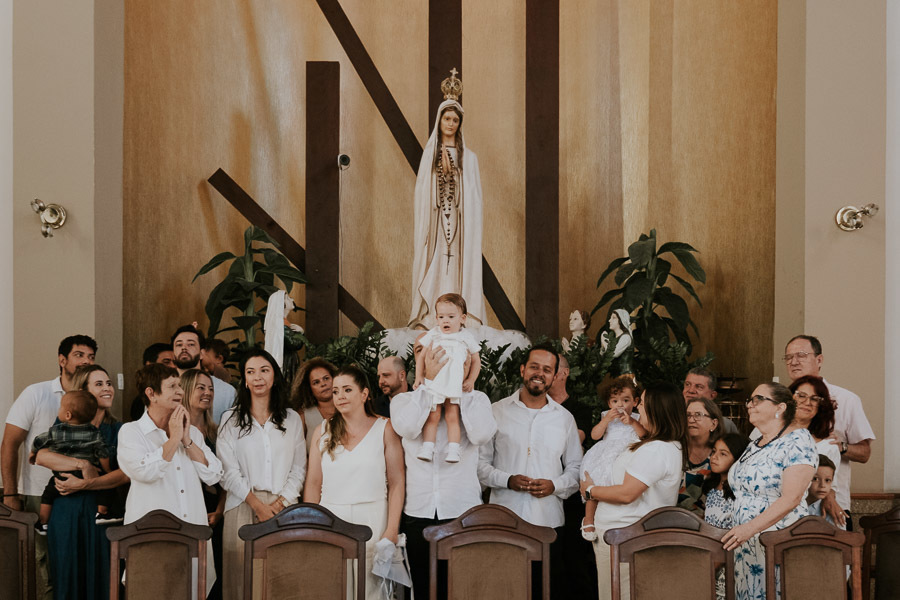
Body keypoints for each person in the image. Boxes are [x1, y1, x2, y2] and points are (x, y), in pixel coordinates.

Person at [391, 339, 496, 600]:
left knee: (463, 589)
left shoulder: (478, 399)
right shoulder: (404, 400)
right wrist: (430, 385)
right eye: (427, 351)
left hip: (462, 510)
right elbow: (407, 428)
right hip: (418, 511)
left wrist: (459, 387)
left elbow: (481, 435)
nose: (439, 356)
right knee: (422, 589)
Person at [478, 343, 582, 599]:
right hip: (504, 519)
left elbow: (576, 469)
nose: (539, 373)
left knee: (545, 591)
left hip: (548, 521)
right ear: (523, 369)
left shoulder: (564, 419)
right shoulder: (496, 411)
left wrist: (555, 486)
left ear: (554, 376)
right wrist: (508, 480)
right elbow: (479, 465)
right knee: (504, 591)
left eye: (547, 369)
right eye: (534, 367)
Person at [1, 334, 96, 600]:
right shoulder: (37, 393)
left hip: (82, 493)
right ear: (62, 360)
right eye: (79, 355)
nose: (86, 361)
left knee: (77, 564)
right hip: (38, 493)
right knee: (45, 564)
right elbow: (10, 443)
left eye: (91, 357)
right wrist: (10, 493)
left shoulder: (94, 395)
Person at [117, 363, 223, 594]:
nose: (180, 391)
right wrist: (173, 439)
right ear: (151, 393)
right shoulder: (131, 432)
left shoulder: (192, 433)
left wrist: (186, 439)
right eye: (172, 386)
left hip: (193, 535)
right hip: (152, 538)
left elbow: (214, 475)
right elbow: (144, 472)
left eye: (180, 386)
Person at [303, 364, 405, 599]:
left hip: (373, 519)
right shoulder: (322, 431)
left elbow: (397, 482)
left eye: (347, 390)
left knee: (371, 590)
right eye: (336, 391)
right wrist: (312, 524)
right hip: (330, 519)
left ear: (364, 394)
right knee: (333, 589)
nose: (340, 396)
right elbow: (313, 483)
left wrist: (391, 529)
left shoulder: (385, 428)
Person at [580, 381, 688, 600]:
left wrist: (590, 490)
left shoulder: (657, 449)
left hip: (625, 537)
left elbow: (626, 494)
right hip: (621, 536)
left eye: (643, 403)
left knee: (619, 595)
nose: (638, 407)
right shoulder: (655, 443)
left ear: (656, 409)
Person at [35, 365, 131, 600]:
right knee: (67, 573)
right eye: (99, 384)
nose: (107, 388)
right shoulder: (63, 425)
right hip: (65, 507)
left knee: (103, 574)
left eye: (108, 383)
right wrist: (83, 465)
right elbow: (42, 456)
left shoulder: (120, 429)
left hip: (102, 511)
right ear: (83, 391)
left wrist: (90, 480)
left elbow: (125, 474)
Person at [217, 349, 306, 600]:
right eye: (251, 372)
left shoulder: (291, 419)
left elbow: (299, 468)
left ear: (274, 377)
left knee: (282, 578)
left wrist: (279, 504)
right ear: (244, 380)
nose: (258, 377)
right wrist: (257, 505)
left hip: (284, 507)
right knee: (241, 580)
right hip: (243, 505)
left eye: (264, 370)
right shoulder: (230, 420)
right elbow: (227, 472)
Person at [722, 382, 817, 600]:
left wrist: (749, 528)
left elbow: (792, 498)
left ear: (780, 407)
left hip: (775, 541)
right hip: (745, 545)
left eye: (758, 399)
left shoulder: (799, 441)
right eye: (750, 400)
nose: (750, 405)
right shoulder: (756, 442)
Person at [408, 70, 485, 330]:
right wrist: (439, 175)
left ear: (460, 124)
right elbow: (422, 194)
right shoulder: (429, 156)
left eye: (455, 120)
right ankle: (431, 315)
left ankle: (460, 316)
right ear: (439, 121)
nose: (451, 124)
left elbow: (475, 199)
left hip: (460, 227)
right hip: (436, 224)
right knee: (437, 263)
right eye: (447, 118)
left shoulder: (469, 158)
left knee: (457, 267)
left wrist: (457, 176)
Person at [782, 334, 874, 529]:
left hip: (833, 507)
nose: (794, 362)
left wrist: (839, 447)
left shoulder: (846, 399)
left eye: (801, 355)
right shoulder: (780, 402)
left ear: (819, 360)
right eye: (788, 357)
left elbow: (865, 453)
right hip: (784, 508)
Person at [547, 354, 598, 597]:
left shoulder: (579, 409)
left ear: (564, 373)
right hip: (542, 489)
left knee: (575, 556)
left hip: (571, 488)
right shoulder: (537, 408)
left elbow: (575, 441)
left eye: (552, 368)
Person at [413, 293, 481, 463]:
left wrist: (471, 380)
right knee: (433, 416)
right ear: (436, 318)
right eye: (441, 317)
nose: (446, 321)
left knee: (452, 416)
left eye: (451, 317)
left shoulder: (466, 337)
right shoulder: (434, 334)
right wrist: (419, 376)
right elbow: (421, 357)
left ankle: (454, 449)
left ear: (462, 318)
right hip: (435, 382)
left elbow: (476, 361)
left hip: (453, 384)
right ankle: (427, 447)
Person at [32, 391, 111, 532]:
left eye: (61, 407)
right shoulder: (95, 433)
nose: (59, 410)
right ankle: (102, 513)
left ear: (68, 415)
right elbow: (103, 453)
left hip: (62, 476)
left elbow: (38, 441)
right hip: (87, 475)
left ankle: (43, 522)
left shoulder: (56, 431)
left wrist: (32, 453)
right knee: (104, 488)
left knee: (48, 494)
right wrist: (107, 470)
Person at [581, 376, 646, 540]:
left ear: (635, 401)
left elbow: (644, 436)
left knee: (618, 484)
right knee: (595, 480)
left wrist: (632, 422)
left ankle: (615, 517)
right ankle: (588, 518)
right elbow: (595, 435)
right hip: (606, 455)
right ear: (609, 403)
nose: (620, 405)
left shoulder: (637, 418)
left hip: (626, 454)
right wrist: (606, 421)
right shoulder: (607, 416)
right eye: (615, 401)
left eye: (625, 400)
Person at [180, 368, 226, 600]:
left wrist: (220, 511)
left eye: (210, 388)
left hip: (214, 509)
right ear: (186, 390)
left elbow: (226, 476)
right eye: (201, 387)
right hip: (186, 506)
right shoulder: (174, 430)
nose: (207, 392)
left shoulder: (218, 432)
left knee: (213, 575)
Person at [702, 433, 750, 600]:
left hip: (728, 557)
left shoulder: (740, 493)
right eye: (714, 451)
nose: (714, 457)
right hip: (709, 554)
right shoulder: (711, 486)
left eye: (723, 454)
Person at [171, 324, 236, 425]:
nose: (184, 348)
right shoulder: (161, 389)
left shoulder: (226, 391)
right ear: (173, 354)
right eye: (179, 345)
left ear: (202, 354)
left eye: (191, 344)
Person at [678, 396, 724, 515]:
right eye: (688, 415)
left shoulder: (722, 455)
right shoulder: (676, 450)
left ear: (713, 424)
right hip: (671, 519)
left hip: (708, 522)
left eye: (698, 415)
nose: (691, 420)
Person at [291, 358, 337, 453]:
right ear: (309, 388)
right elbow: (297, 451)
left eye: (326, 378)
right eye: (316, 382)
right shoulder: (303, 415)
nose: (323, 384)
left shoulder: (348, 409)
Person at [683, 367, 739, 434]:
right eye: (687, 384)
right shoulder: (673, 421)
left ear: (712, 395)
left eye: (699, 387)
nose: (691, 390)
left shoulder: (726, 426)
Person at [130, 342, 176, 421]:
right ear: (149, 365)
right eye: (166, 362)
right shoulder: (139, 403)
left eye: (175, 362)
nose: (173, 366)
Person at [599, 309, 633, 376]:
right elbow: (603, 357)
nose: (609, 320)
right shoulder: (614, 338)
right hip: (615, 376)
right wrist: (603, 347)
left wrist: (604, 342)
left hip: (625, 376)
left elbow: (614, 353)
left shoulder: (626, 337)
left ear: (621, 321)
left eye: (613, 318)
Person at [807, 455, 836, 523]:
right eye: (815, 479)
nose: (822, 485)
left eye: (827, 480)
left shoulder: (833, 512)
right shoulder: (793, 506)